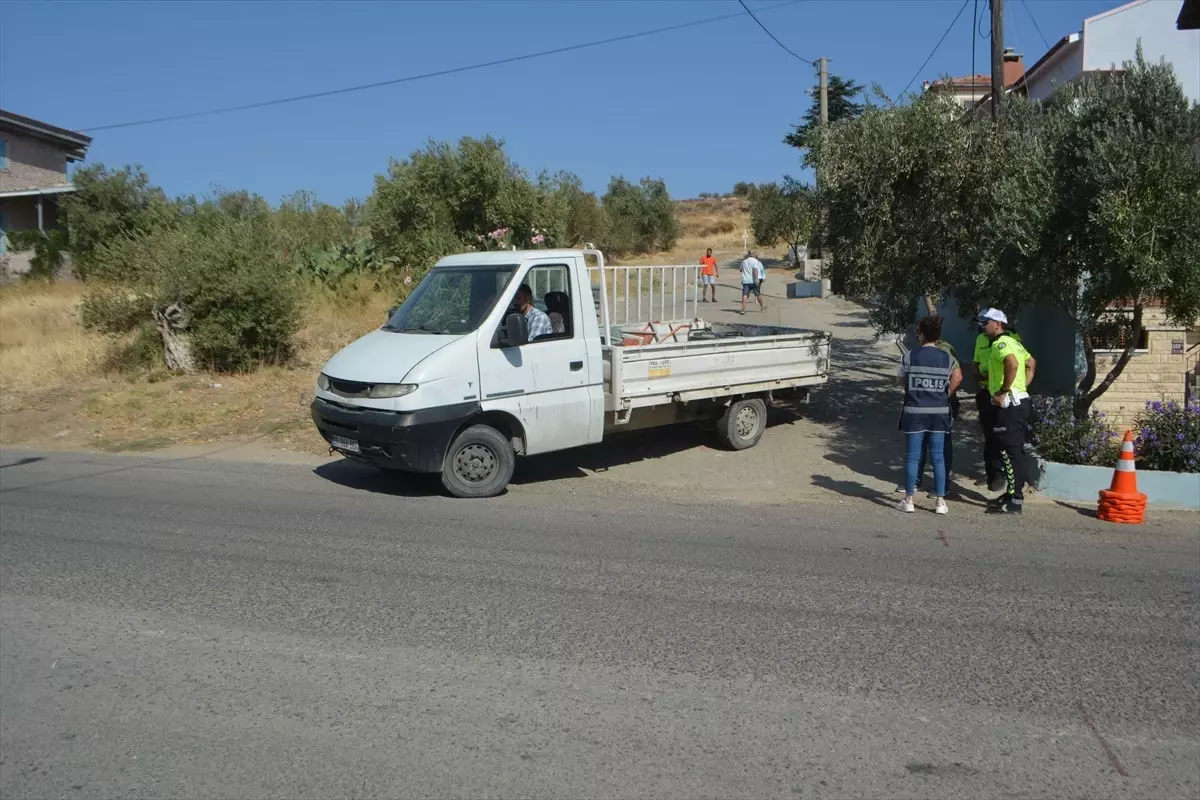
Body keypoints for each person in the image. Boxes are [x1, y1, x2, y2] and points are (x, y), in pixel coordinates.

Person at [896, 315, 962, 515]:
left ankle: (908, 500)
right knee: (938, 457)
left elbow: (899, 380)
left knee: (912, 457)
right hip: (940, 413)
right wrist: (944, 394)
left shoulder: (909, 356)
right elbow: (957, 377)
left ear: (922, 334)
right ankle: (941, 502)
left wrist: (914, 388)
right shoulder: (948, 358)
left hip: (914, 412)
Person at [978, 308, 1037, 515]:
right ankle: (1013, 493)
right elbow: (1031, 363)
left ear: (998, 323)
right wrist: (1022, 388)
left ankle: (1015, 500)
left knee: (1008, 451)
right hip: (1018, 401)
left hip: (1009, 405)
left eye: (985, 322)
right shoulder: (1015, 343)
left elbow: (1012, 363)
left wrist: (1004, 391)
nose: (982, 326)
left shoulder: (1002, 343)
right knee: (1014, 450)